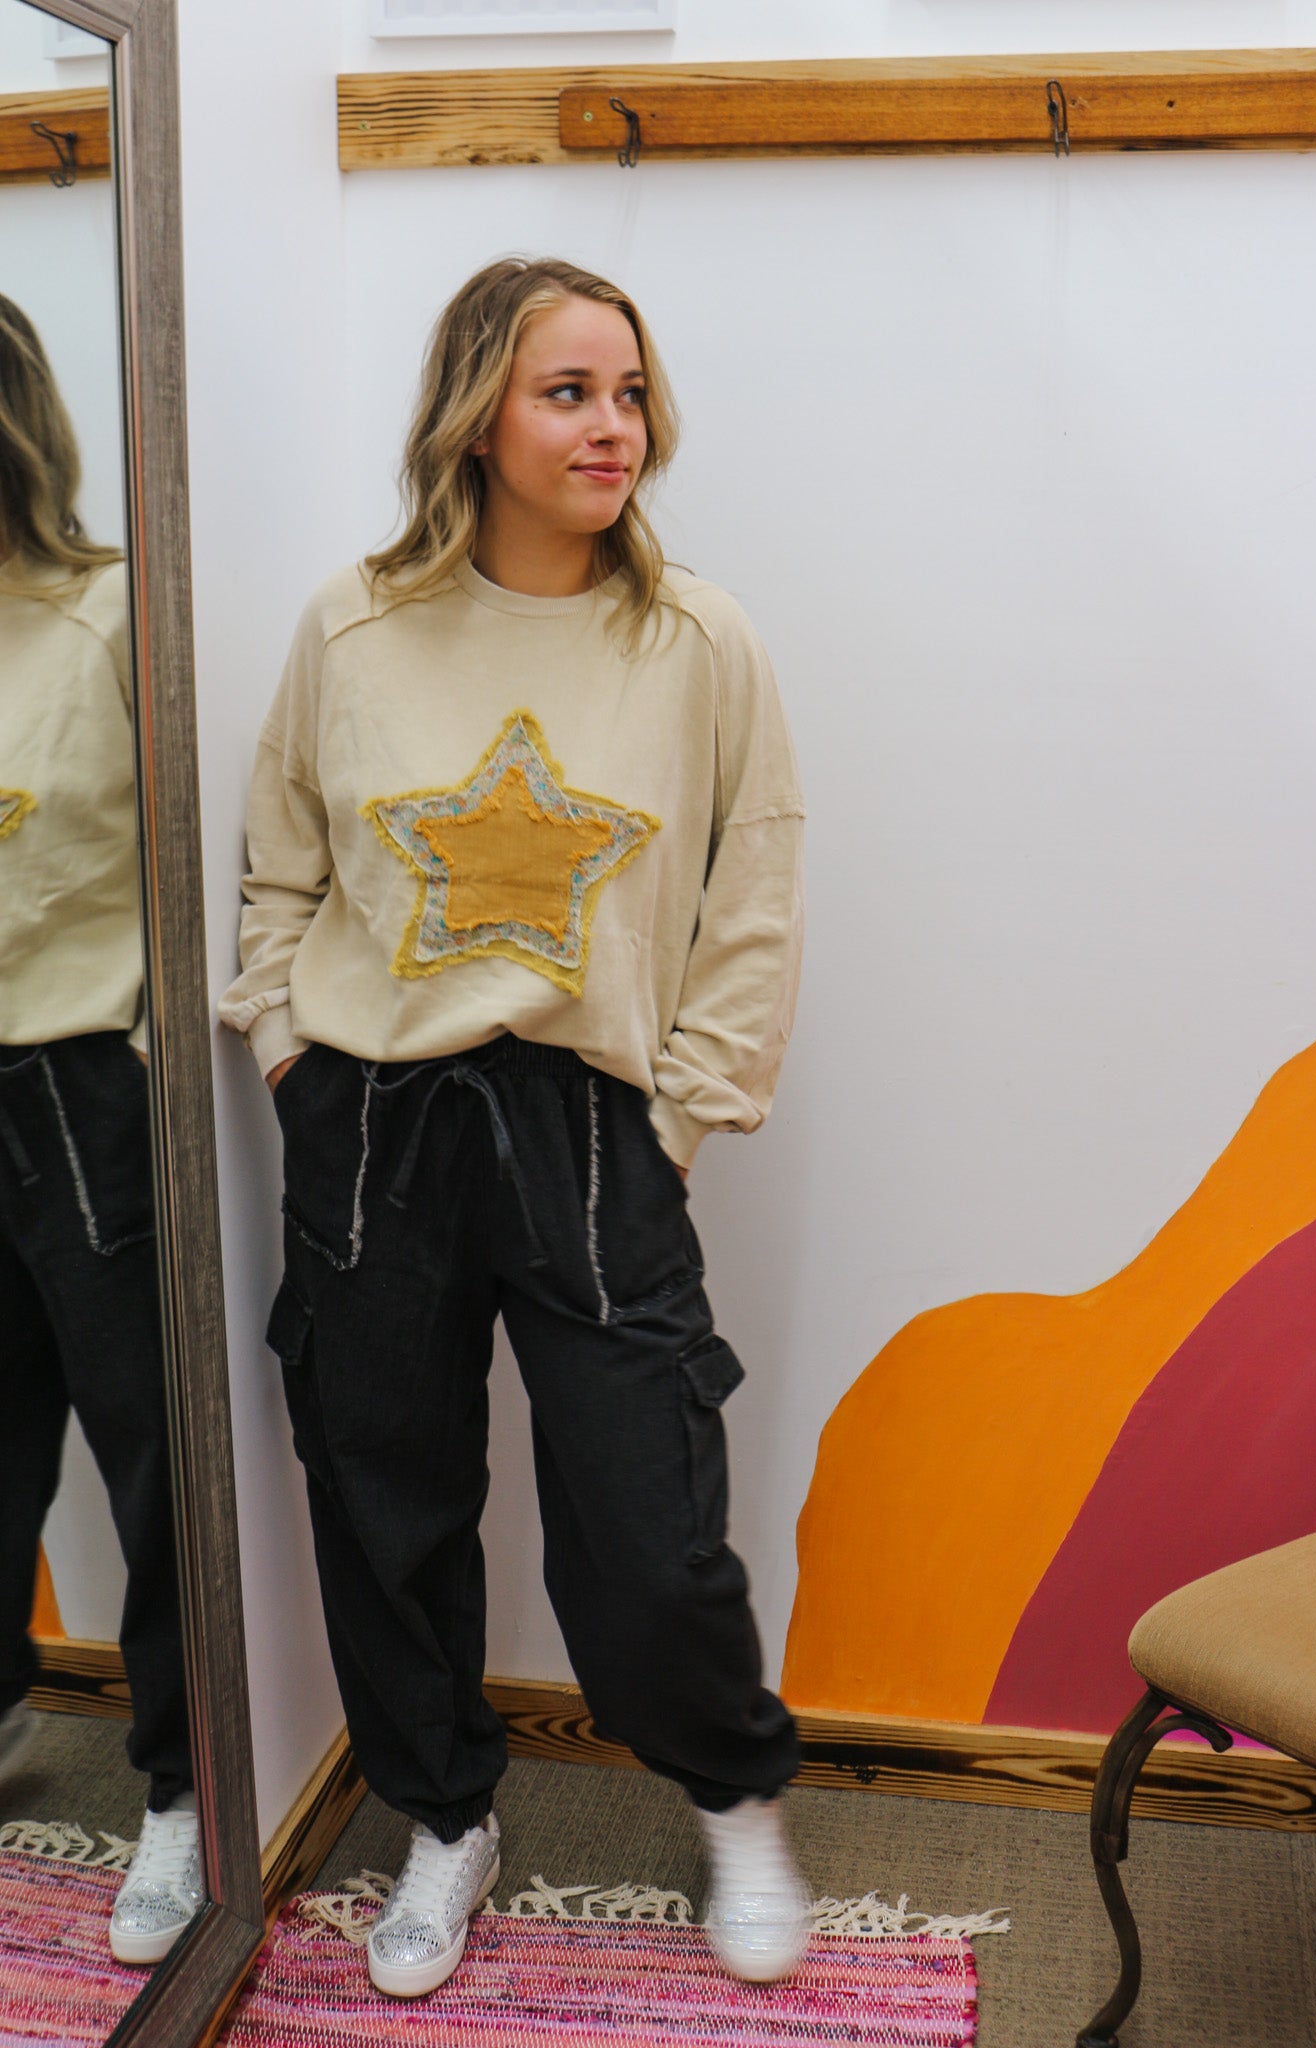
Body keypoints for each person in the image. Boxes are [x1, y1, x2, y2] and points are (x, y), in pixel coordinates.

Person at [220, 256, 808, 1999]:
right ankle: (445, 1812)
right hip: (373, 1118)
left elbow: (754, 891)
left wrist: (683, 1116)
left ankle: (731, 1795)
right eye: (568, 392)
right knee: (381, 1492)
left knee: (646, 1514)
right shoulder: (351, 625)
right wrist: (290, 1056)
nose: (612, 427)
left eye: (628, 393)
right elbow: (279, 865)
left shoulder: (694, 638)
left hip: (595, 1125)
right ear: (476, 413)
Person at [0, 294, 199, 1962]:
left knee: (152, 1458)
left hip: (80, 1086)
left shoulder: (111, 609)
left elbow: (189, 858)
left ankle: (189, 1788)